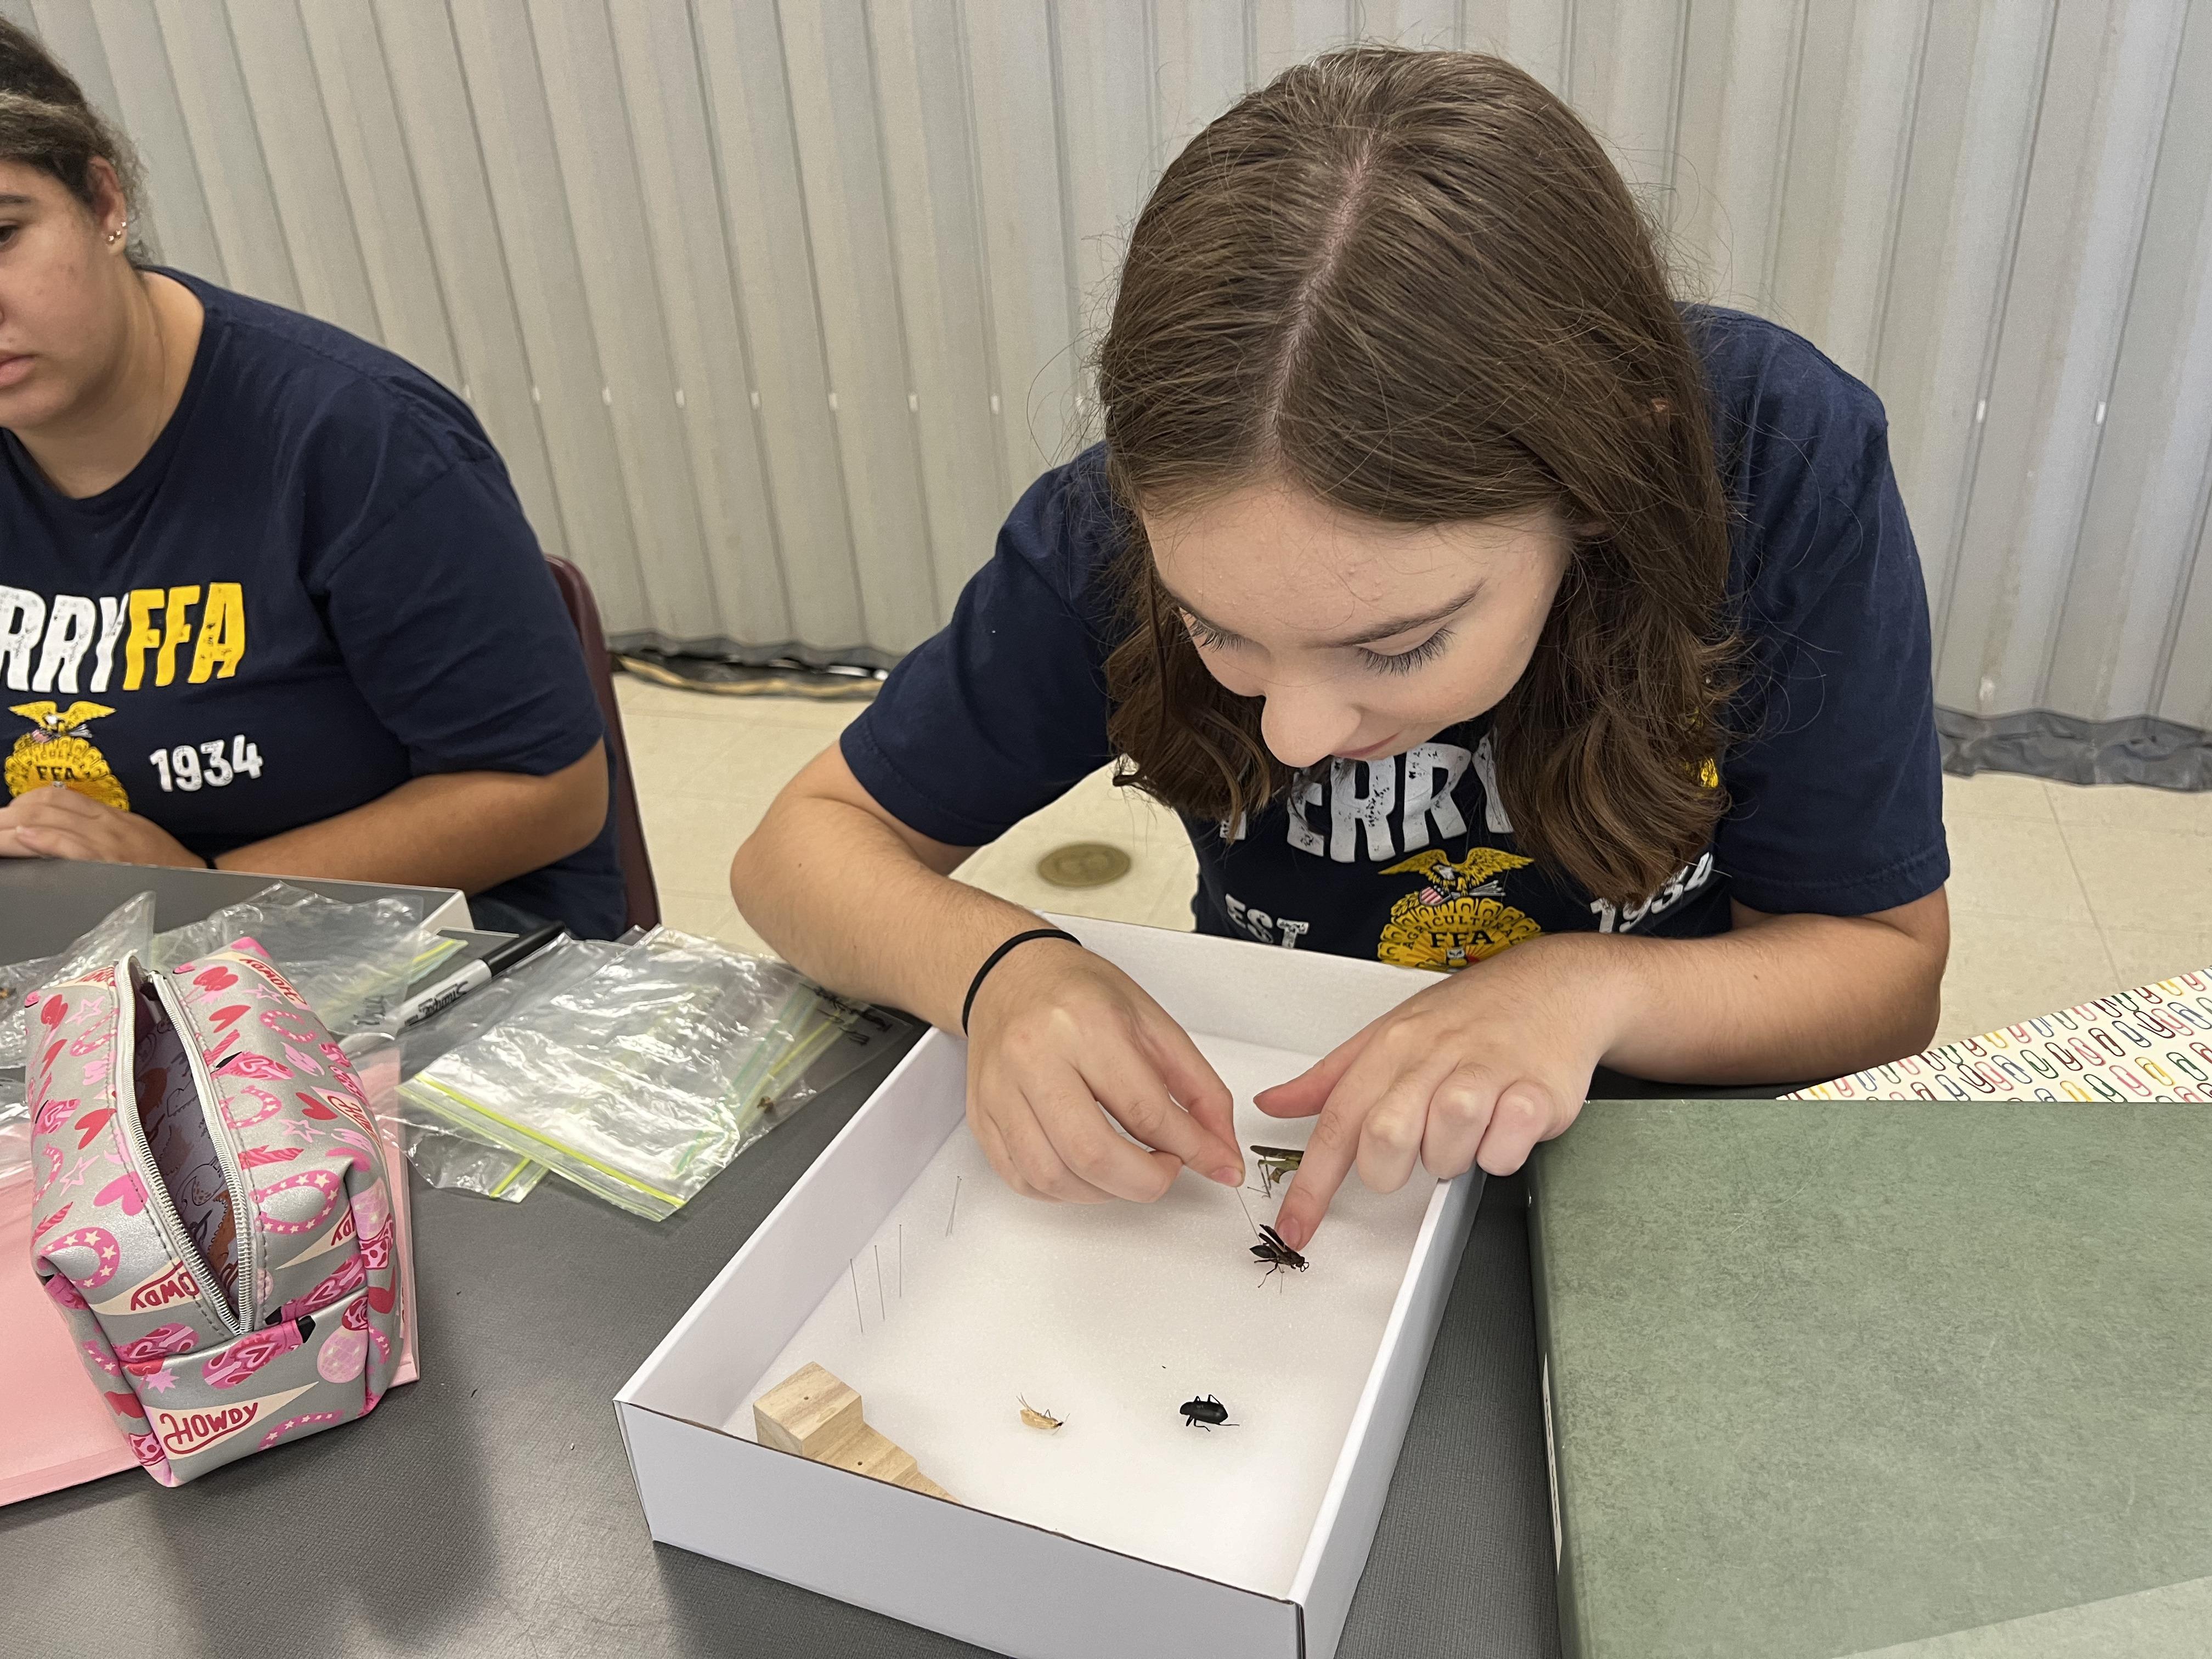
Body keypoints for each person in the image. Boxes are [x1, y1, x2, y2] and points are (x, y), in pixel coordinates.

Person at [731, 48, 1950, 1245]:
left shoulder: (1774, 462)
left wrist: (1590, 988)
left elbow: (1884, 972)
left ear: (1602, 486)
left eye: (1400, 645)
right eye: (1215, 628)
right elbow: (799, 850)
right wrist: (1001, 968)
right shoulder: (1116, 523)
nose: (1297, 734)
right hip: (1294, 1117)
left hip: (1654, 1135)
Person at [0, 22, 622, 939]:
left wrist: (204, 890)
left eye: (2, 235)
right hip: (94, 942)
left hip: (409, 945)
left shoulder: (358, 438)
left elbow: (548, 794)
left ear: (103, 200)